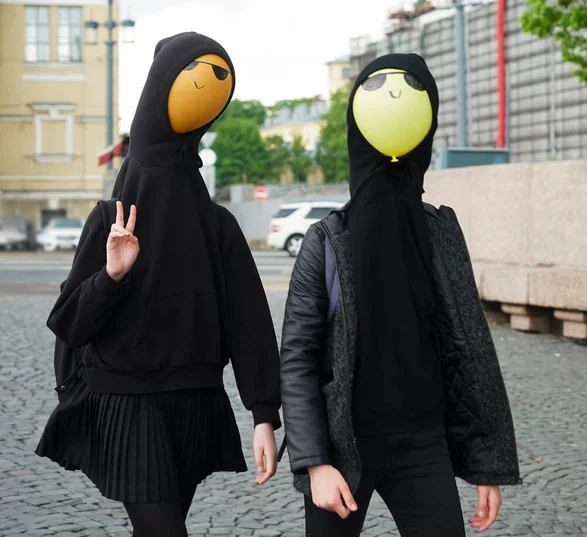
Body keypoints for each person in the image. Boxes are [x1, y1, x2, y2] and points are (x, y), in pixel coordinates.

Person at [36, 32, 281, 537]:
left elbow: (250, 326)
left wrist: (263, 415)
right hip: (129, 405)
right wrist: (111, 275)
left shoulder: (218, 227)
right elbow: (68, 324)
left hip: (195, 402)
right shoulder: (109, 220)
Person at [280, 53, 520, 537]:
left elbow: (470, 350)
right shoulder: (326, 240)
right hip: (343, 447)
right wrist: (314, 462)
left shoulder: (440, 232)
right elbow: (298, 358)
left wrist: (485, 464)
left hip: (423, 443)